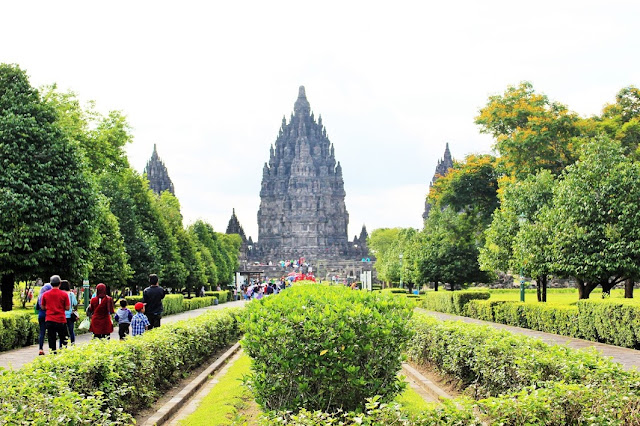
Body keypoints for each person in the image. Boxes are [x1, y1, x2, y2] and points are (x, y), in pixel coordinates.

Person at [40, 275, 70, 353]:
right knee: (64, 339)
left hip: (49, 319)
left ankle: (53, 354)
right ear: (60, 283)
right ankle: (63, 353)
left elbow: (42, 307)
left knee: (51, 339)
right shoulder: (64, 294)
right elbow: (67, 308)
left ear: (51, 283)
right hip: (61, 320)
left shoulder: (45, 294)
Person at [36, 283, 52, 355]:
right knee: (50, 332)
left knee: (42, 332)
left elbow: (37, 307)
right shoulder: (49, 295)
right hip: (48, 315)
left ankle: (40, 349)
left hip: (41, 315)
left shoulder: (40, 295)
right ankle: (51, 349)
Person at [60, 280, 78, 345]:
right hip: (70, 315)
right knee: (71, 330)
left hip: (61, 315)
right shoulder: (71, 294)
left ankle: (62, 345)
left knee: (62, 331)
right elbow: (75, 303)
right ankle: (73, 343)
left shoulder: (60, 294)